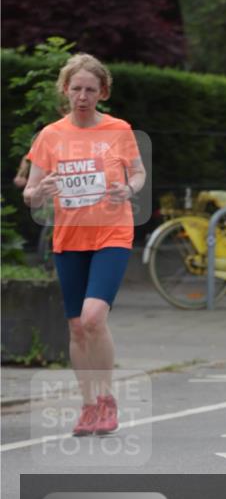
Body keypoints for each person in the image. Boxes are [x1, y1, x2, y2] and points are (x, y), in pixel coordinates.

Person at [23, 54, 145, 435]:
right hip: (70, 238)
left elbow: (138, 173)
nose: (82, 96)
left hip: (111, 234)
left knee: (94, 317)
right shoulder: (50, 135)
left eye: (91, 89)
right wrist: (37, 192)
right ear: (65, 89)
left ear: (102, 92)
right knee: (77, 328)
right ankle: (88, 405)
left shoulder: (118, 130)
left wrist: (128, 187)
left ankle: (107, 399)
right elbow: (30, 192)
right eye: (76, 88)